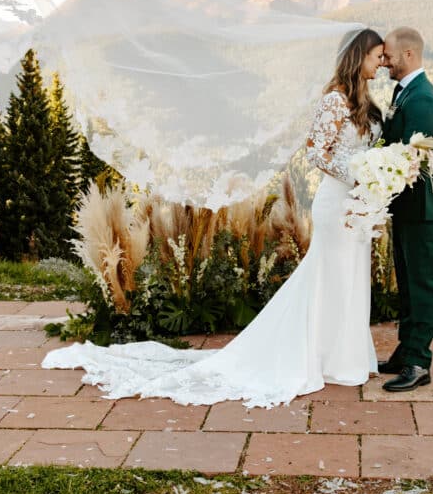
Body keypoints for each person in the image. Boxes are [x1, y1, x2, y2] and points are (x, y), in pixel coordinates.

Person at [42, 29, 386, 408]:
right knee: (331, 276)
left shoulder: (364, 102)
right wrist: (359, 173)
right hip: (336, 203)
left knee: (352, 277)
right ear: (359, 57)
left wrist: (373, 177)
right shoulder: (335, 100)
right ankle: (323, 358)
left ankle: (346, 357)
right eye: (376, 57)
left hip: (358, 204)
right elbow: (316, 154)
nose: (380, 64)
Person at [377, 27, 433, 392]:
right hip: (407, 204)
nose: (384, 62)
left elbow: (409, 160)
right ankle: (406, 352)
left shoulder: (422, 99)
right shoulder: (405, 92)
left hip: (423, 205)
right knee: (406, 282)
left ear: (408, 55)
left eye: (389, 55)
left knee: (422, 285)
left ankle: (419, 363)